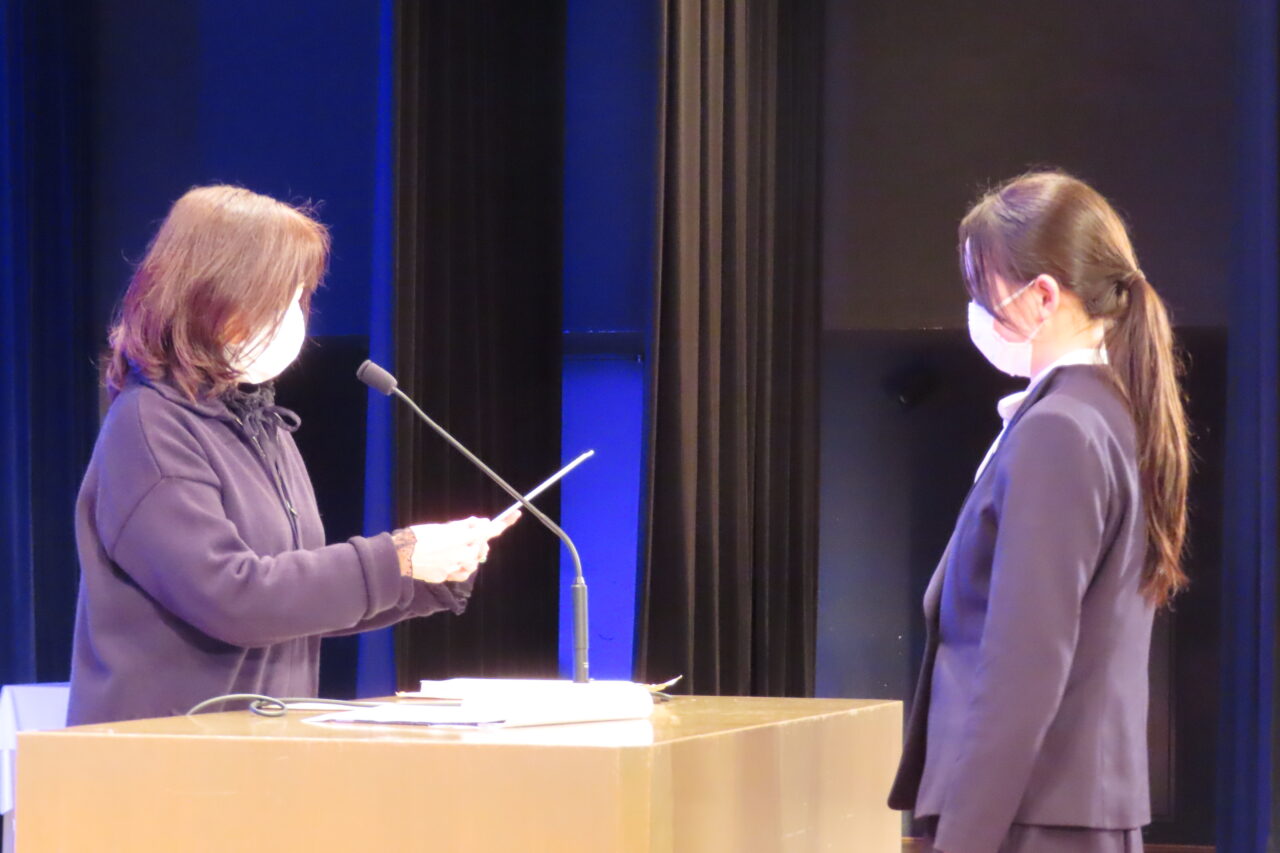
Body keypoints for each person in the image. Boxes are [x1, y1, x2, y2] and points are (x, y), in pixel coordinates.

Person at [67, 185, 518, 725]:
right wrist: (396, 558)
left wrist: (426, 574)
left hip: (258, 746)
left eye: (297, 297)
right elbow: (233, 599)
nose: (289, 318)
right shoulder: (149, 425)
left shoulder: (260, 425)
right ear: (207, 294)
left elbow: (293, 605)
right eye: (272, 298)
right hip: (166, 753)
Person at [888, 171, 1190, 853]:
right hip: (1056, 810)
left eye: (983, 292)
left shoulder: (1059, 429)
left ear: (1044, 295)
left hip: (1032, 817)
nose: (977, 312)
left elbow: (1022, 669)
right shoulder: (1106, 414)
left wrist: (963, 840)